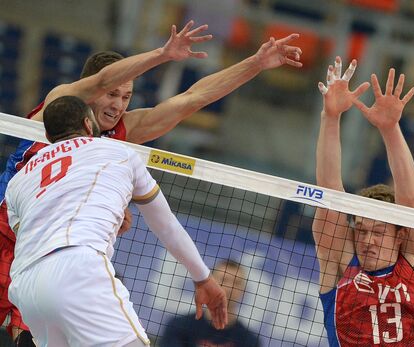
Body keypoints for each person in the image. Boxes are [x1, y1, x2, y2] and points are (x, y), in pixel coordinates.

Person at [0, 23, 303, 344]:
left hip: (39, 258)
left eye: (127, 96)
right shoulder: (57, 106)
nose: (118, 105)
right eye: (112, 94)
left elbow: (192, 99)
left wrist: (254, 63)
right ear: (89, 88)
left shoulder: (123, 132)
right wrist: (163, 54)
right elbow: (102, 79)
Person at [5, 96, 228, 346]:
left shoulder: (18, 181)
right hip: (76, 269)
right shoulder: (117, 151)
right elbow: (165, 224)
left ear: (47, 134)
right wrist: (203, 277)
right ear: (88, 125)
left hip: (25, 286)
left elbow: (29, 234)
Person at [312, 57, 414, 346]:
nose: (367, 240)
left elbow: (412, 198)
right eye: (361, 229)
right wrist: (330, 118)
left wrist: (389, 129)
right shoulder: (342, 262)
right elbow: (329, 192)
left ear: (400, 235)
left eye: (379, 231)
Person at [160, 259, 260, 346]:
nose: (230, 288)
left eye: (236, 283)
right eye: (224, 280)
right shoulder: (179, 326)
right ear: (211, 283)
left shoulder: (250, 341)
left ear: (244, 290)